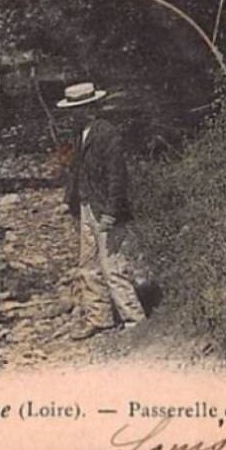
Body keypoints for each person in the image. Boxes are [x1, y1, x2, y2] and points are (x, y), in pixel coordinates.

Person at [57, 82, 147, 338]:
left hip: (105, 208)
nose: (72, 114)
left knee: (113, 265)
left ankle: (135, 320)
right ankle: (100, 317)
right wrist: (70, 200)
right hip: (87, 205)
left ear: (89, 108)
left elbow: (117, 176)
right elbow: (77, 171)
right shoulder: (81, 133)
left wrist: (111, 211)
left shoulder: (107, 134)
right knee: (88, 265)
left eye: (77, 109)